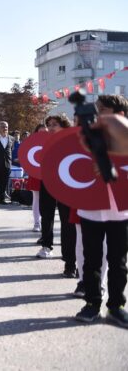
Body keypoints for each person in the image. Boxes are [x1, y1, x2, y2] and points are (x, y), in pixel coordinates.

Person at [75, 95, 127, 326]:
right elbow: (70, 169)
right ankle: (92, 304)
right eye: (96, 110)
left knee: (118, 262)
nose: (97, 115)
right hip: (91, 210)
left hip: (121, 213)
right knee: (92, 260)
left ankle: (116, 306)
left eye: (102, 110)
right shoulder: (86, 137)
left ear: (119, 114)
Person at [36, 115, 77, 282]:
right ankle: (46, 245)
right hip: (48, 183)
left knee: (68, 224)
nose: (51, 127)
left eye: (55, 124)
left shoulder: (72, 142)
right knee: (46, 215)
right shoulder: (46, 143)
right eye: (49, 125)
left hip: (67, 186)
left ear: (64, 126)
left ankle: (70, 263)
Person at [25, 124, 46, 233]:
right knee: (36, 199)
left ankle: (45, 223)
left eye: (45, 132)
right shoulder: (32, 143)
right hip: (36, 173)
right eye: (41, 132)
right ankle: (37, 223)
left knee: (47, 201)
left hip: (48, 175)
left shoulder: (52, 141)